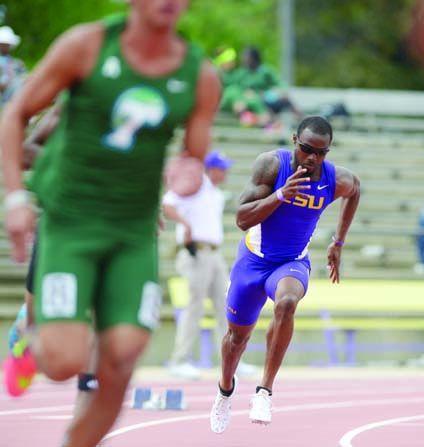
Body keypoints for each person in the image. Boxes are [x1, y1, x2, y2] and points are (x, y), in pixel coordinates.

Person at [0, 2, 221, 446]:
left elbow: (194, 156)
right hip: (71, 222)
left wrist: (185, 175)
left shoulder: (200, 76)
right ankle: (28, 333)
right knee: (65, 361)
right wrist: (17, 197)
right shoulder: (86, 46)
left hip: (132, 230)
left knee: (122, 356)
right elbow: (16, 115)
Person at [209, 116, 360, 432]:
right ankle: (225, 390)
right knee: (236, 339)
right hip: (253, 261)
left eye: (321, 153)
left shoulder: (333, 179)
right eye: (307, 149)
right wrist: (281, 195)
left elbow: (355, 189)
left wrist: (338, 242)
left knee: (287, 302)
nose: (312, 158)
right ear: (294, 140)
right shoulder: (272, 166)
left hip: (290, 263)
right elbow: (241, 219)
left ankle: (264, 390)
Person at [162, 151, 234, 379]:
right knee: (195, 307)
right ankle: (179, 360)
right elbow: (167, 203)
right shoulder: (196, 185)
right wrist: (185, 225)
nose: (225, 173)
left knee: (227, 306)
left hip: (214, 253)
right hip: (196, 252)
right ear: (211, 169)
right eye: (221, 168)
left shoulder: (215, 193)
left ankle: (231, 360)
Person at [0, 25, 26, 105]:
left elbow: (24, 76)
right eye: (3, 44)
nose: (5, 47)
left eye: (6, 44)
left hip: (12, 94)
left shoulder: (16, 63)